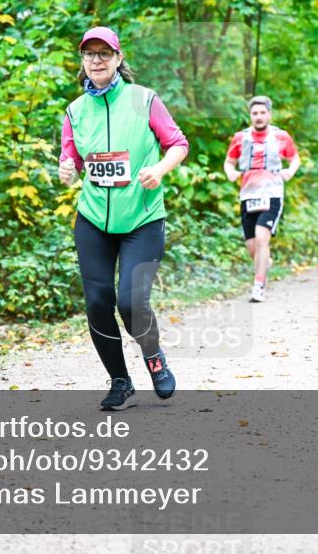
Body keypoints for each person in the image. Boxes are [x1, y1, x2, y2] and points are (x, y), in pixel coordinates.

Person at [58, 26, 188, 411]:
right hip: (94, 219)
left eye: (103, 53)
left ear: (118, 59)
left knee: (132, 301)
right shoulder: (75, 111)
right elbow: (72, 159)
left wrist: (160, 170)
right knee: (98, 301)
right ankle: (120, 381)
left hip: (143, 218)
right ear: (82, 61)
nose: (95, 60)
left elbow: (178, 144)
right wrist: (68, 170)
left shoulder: (143, 99)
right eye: (89, 54)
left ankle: (153, 357)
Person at [224, 96, 300, 302]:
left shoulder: (281, 137)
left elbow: (294, 158)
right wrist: (230, 172)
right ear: (250, 115)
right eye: (255, 113)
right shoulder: (240, 138)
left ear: (269, 114)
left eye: (262, 113)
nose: (258, 117)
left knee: (261, 238)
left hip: (272, 192)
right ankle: (264, 263)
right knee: (252, 247)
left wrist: (290, 171)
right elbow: (229, 162)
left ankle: (258, 285)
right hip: (248, 194)